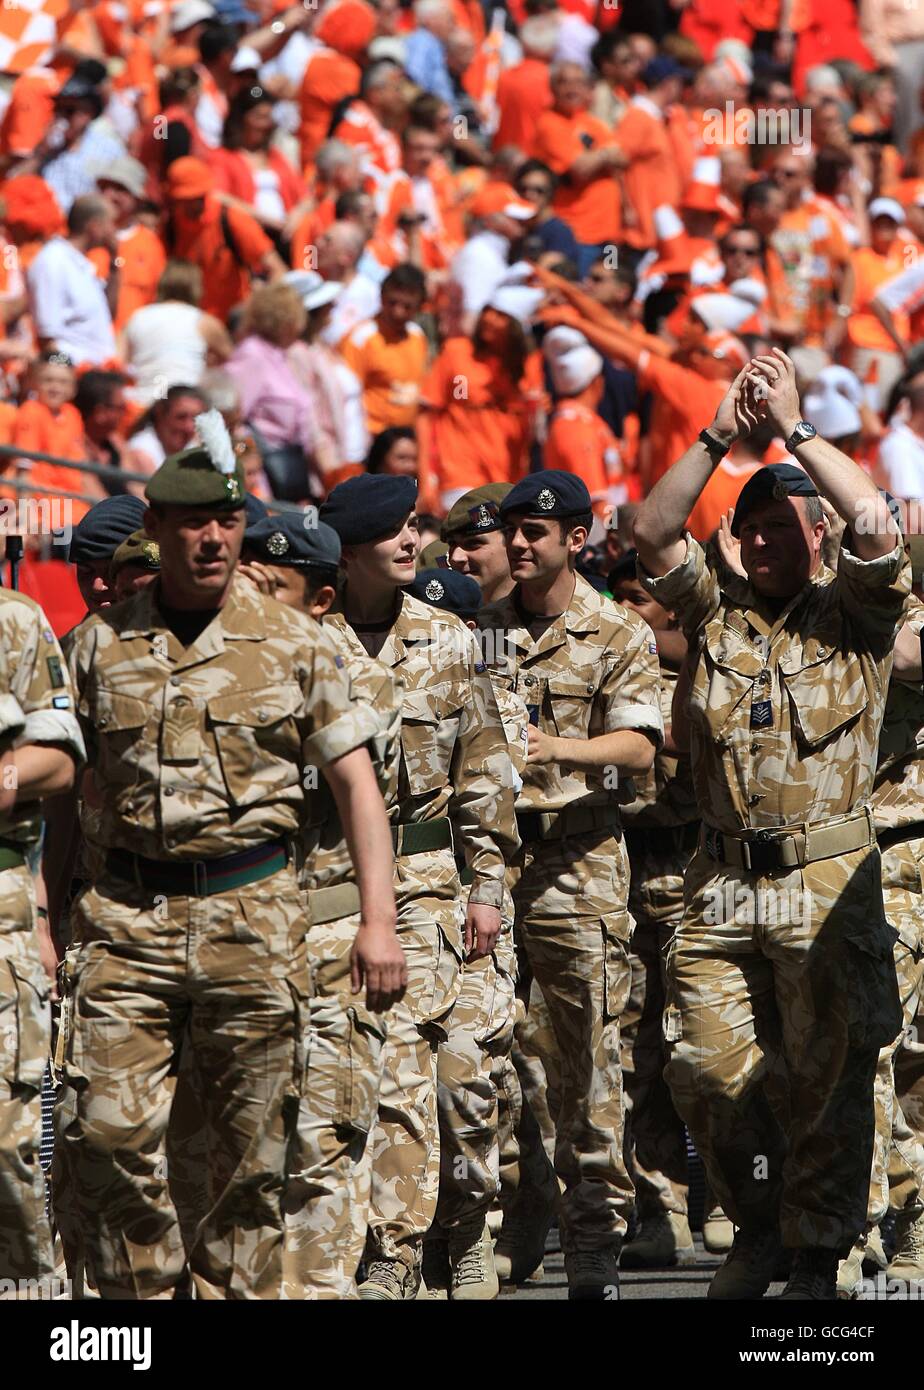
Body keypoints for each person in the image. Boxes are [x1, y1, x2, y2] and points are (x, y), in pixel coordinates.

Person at [57, 414, 401, 1299]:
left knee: (251, 1155)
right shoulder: (100, 645)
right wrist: (51, 922)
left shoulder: (294, 641)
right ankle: (146, 1295)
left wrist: (378, 923)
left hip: (254, 915)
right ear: (160, 531)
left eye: (229, 522)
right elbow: (71, 792)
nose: (213, 540)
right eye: (193, 524)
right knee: (107, 1135)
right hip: (126, 921)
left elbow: (358, 787)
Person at [633, 348, 909, 1300]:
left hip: (827, 883)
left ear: (819, 538)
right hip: (719, 888)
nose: (757, 545)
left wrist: (794, 430)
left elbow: (878, 521)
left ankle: (815, 1262)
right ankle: (755, 1230)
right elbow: (651, 528)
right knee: (708, 1073)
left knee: (828, 1088)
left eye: (778, 529)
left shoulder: (859, 618)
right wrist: (720, 433)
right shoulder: (716, 618)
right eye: (745, 531)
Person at [320, 472, 518, 1301]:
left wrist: (487, 888)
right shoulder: (305, 642)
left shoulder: (448, 641)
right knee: (356, 1076)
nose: (412, 542)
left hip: (429, 885)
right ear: (349, 552)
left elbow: (483, 773)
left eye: (413, 528)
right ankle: (369, 1255)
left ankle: (430, 1245)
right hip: (328, 887)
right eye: (393, 533)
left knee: (438, 1076)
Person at [478, 470, 663, 1298]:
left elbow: (638, 748)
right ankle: (522, 1211)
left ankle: (595, 1236)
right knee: (495, 1051)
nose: (521, 543)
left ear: (576, 540)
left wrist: (556, 750)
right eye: (512, 529)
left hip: (578, 861)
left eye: (538, 532)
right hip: (492, 861)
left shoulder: (614, 630)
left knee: (587, 1057)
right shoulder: (483, 628)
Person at [239, 511, 404, 1299]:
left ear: (321, 599)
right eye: (245, 581)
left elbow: (367, 805)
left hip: (329, 928)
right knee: (242, 1142)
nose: (250, 598)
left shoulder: (353, 681)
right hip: (239, 938)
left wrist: (379, 926)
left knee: (323, 1136)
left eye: (272, 588)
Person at [606, 548, 700, 1271]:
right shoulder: (612, 667)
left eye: (639, 598)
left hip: (699, 868)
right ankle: (658, 1206)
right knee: (638, 1051)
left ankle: (732, 1199)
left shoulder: (698, 661)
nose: (626, 612)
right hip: (626, 867)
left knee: (703, 1048)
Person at [0, 588, 84, 1283]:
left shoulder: (17, 621)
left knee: (11, 1140)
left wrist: (1, 774)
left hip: (1, 906)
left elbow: (58, 763)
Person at [224, 282, 320, 501]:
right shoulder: (252, 355)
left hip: (291, 468)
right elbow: (233, 416)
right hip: (266, 476)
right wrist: (249, 467)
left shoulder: (280, 355)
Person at [530, 62, 627, 276]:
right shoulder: (550, 124)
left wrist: (600, 158)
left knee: (608, 288)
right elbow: (580, 168)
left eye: (578, 83)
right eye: (564, 82)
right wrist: (604, 154)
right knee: (582, 291)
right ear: (553, 89)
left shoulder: (592, 122)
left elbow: (622, 157)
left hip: (610, 234)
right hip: (579, 234)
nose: (572, 89)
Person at [163, 156, 286, 323]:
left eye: (196, 197)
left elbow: (278, 270)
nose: (189, 205)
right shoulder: (170, 226)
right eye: (182, 200)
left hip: (233, 323)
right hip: (189, 324)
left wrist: (253, 307)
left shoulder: (231, 219)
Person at [121, 262, 232, 408]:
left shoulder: (137, 317)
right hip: (186, 406)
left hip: (142, 404)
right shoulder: (204, 322)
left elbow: (120, 362)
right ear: (197, 288)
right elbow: (234, 361)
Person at [26, 195, 117, 369]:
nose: (114, 231)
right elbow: (47, 338)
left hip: (95, 373)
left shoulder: (83, 263)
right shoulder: (53, 261)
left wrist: (115, 262)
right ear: (94, 227)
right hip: (74, 376)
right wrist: (69, 373)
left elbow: (109, 314)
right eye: (111, 223)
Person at [340, 264, 429, 437]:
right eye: (392, 302)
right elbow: (345, 395)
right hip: (372, 439)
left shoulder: (417, 336)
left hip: (408, 437)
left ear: (419, 307)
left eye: (407, 306)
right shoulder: (361, 339)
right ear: (381, 297)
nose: (398, 312)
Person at [92, 157, 167, 333]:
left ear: (138, 200)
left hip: (131, 349)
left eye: (120, 189)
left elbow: (158, 301)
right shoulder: (86, 237)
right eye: (105, 187)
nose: (110, 195)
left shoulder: (152, 245)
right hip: (88, 348)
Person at [65, 495, 148, 614]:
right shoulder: (81, 633)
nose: (97, 586)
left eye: (111, 572)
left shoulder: (179, 630)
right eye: (86, 571)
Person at [440, 483, 514, 605]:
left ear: (512, 540)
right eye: (452, 544)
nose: (456, 558)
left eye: (473, 544)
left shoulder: (548, 616)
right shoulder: (445, 619)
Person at [126, 383, 208, 486]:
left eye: (195, 419)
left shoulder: (193, 447)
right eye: (181, 417)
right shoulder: (141, 451)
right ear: (160, 414)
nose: (189, 427)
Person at [75, 370, 130, 487]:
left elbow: (136, 485)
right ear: (100, 412)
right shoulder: (75, 445)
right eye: (121, 408)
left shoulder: (116, 442)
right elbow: (94, 495)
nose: (126, 412)